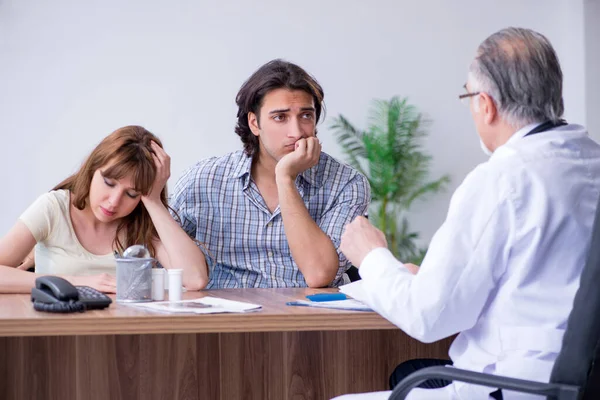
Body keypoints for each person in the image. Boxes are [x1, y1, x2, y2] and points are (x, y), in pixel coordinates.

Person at [334, 27, 600, 400]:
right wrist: (426, 279)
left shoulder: (503, 179)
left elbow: (428, 317)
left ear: (486, 104)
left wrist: (371, 256)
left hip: (515, 385)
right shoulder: (590, 160)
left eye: (468, 97)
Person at [170, 59, 370, 288]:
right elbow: (155, 259)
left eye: (306, 115)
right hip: (224, 319)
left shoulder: (347, 183)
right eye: (280, 117)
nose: (296, 132)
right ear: (254, 123)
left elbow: (318, 274)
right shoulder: (202, 181)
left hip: (310, 320)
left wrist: (285, 179)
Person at [0, 125, 209, 293]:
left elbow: (195, 279)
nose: (114, 202)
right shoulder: (53, 208)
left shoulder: (141, 221)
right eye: (109, 183)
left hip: (125, 336)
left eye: (132, 194)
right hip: (59, 332)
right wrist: (78, 282)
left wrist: (153, 201)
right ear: (92, 170)